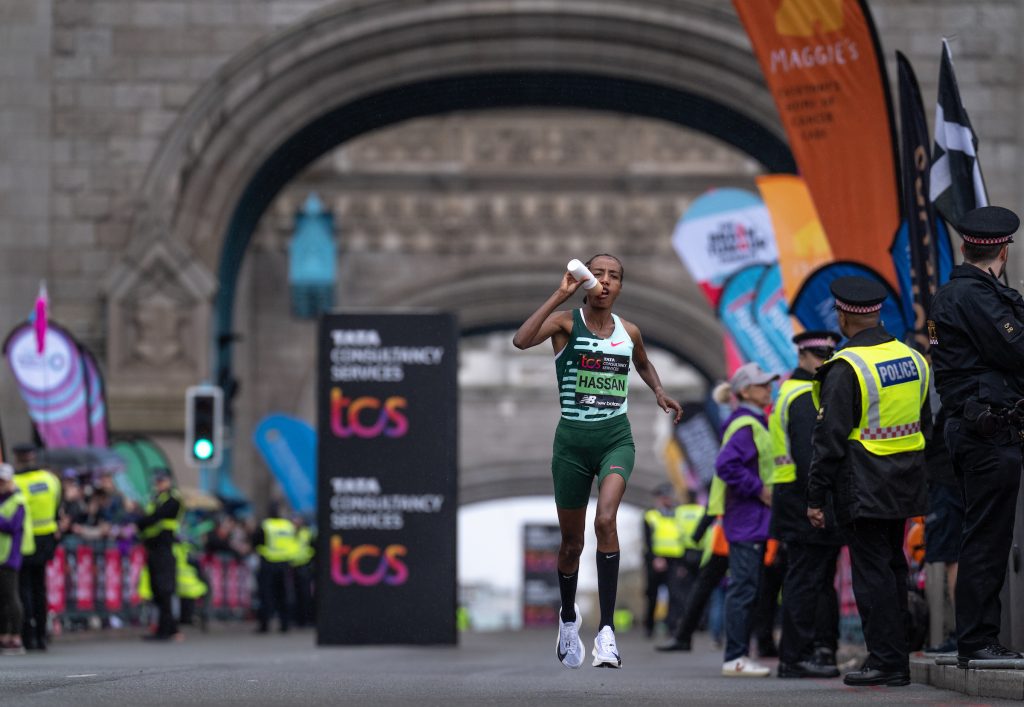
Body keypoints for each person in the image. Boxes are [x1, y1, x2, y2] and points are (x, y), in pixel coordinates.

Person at [512, 253, 682, 669]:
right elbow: (521, 340)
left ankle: (607, 632)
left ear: (621, 286)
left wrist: (659, 390)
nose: (605, 282)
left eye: (615, 277)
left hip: (615, 439)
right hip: (571, 444)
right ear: (586, 280)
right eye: (599, 274)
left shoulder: (630, 332)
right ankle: (569, 619)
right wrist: (559, 294)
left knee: (606, 520)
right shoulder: (566, 324)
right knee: (572, 545)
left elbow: (641, 361)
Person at [807, 276, 931, 687]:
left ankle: (886, 661)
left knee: (873, 572)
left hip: (862, 484)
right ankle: (897, 656)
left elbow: (829, 440)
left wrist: (816, 496)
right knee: (894, 567)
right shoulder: (915, 358)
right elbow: (925, 422)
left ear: (843, 315)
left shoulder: (847, 368)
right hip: (907, 480)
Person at [928, 205, 1024, 667]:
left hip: (975, 430)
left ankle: (979, 639)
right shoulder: (973, 296)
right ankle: (978, 642)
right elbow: (1017, 349)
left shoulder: (963, 293)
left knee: (984, 535)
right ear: (1002, 251)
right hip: (987, 432)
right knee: (986, 538)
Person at [771, 331, 843, 679]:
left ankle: (812, 650)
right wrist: (818, 501)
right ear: (802, 356)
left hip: (798, 497)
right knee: (806, 579)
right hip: (805, 499)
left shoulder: (796, 391)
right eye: (819, 357)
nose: (824, 363)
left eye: (829, 356)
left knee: (814, 577)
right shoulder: (803, 395)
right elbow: (808, 454)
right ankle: (796, 656)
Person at [708, 362, 777, 678]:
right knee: (744, 589)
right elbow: (726, 466)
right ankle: (735, 657)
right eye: (763, 385)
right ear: (745, 391)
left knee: (746, 588)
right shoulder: (746, 424)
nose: (769, 388)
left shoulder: (750, 421)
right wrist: (760, 489)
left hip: (749, 518)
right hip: (748, 517)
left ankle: (738, 655)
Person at [11, 444, 61, 651]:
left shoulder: (15, 482)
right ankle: (42, 635)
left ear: (18, 458)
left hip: (24, 540)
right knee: (40, 587)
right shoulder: (50, 480)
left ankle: (28, 636)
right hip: (47, 539)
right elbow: (58, 508)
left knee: (24, 589)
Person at [135, 468, 184, 641]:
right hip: (153, 549)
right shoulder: (154, 499)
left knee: (165, 590)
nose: (159, 484)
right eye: (157, 481)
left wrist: (141, 522)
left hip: (165, 549)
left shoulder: (172, 499)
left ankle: (168, 629)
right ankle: (163, 628)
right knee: (157, 590)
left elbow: (155, 517)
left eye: (162, 481)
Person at [642, 484, 686, 638]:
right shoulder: (650, 515)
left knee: (674, 594)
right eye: (664, 497)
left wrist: (682, 563)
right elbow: (648, 539)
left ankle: (671, 626)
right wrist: (655, 558)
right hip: (656, 559)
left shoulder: (678, 515)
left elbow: (682, 538)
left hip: (674, 560)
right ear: (659, 499)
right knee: (652, 595)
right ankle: (649, 627)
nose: (668, 499)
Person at [252, 502, 298, 634]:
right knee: (284, 594)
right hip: (285, 564)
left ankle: (264, 624)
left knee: (266, 595)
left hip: (268, 563)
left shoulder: (266, 525)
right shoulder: (288, 526)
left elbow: (256, 541)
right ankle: (285, 624)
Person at [0, 463, 31, 655]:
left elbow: (13, 526)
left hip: (10, 555)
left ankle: (16, 637)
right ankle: (4, 636)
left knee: (11, 597)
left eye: (3, 481)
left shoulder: (18, 500)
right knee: (2, 599)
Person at [291, 515, 315, 628]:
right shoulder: (289, 533)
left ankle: (307, 619)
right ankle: (297, 619)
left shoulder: (307, 533)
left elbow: (314, 548)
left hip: (304, 566)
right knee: (294, 594)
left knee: (305, 594)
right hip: (291, 567)